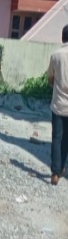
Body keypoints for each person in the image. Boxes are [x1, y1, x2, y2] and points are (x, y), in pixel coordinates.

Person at [47, 25, 68, 185]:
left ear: (62, 37)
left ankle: (55, 173)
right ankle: (61, 168)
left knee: (56, 138)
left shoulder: (55, 55)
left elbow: (50, 79)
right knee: (66, 139)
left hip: (58, 104)